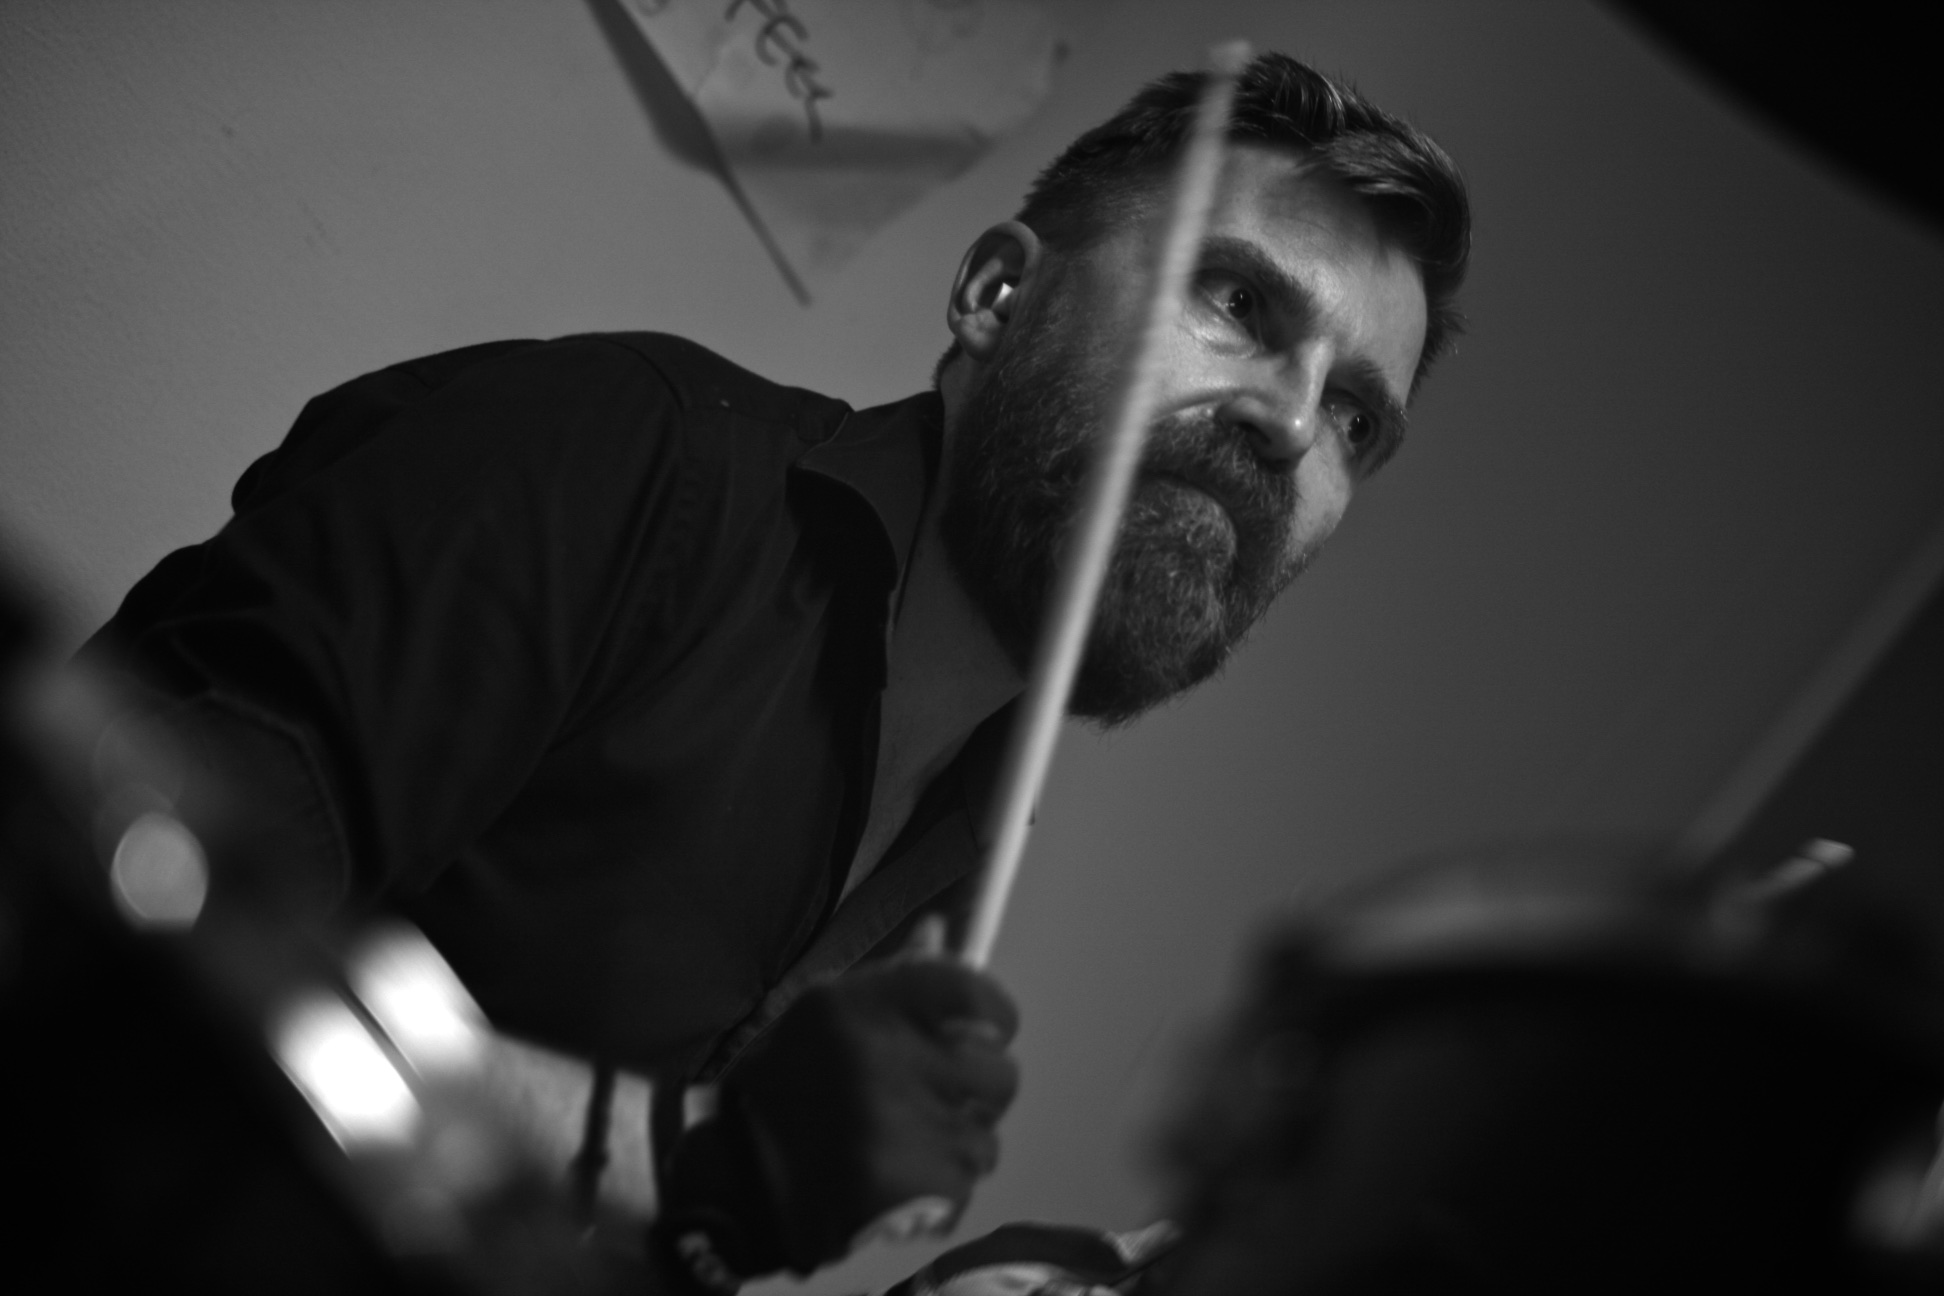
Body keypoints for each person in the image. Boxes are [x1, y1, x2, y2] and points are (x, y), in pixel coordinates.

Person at [80, 52, 1470, 1290]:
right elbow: (107, 930)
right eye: (1238, 300)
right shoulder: (609, 461)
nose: (1292, 427)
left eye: (1358, 416)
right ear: (998, 294)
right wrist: (697, 1154)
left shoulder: (971, 831)